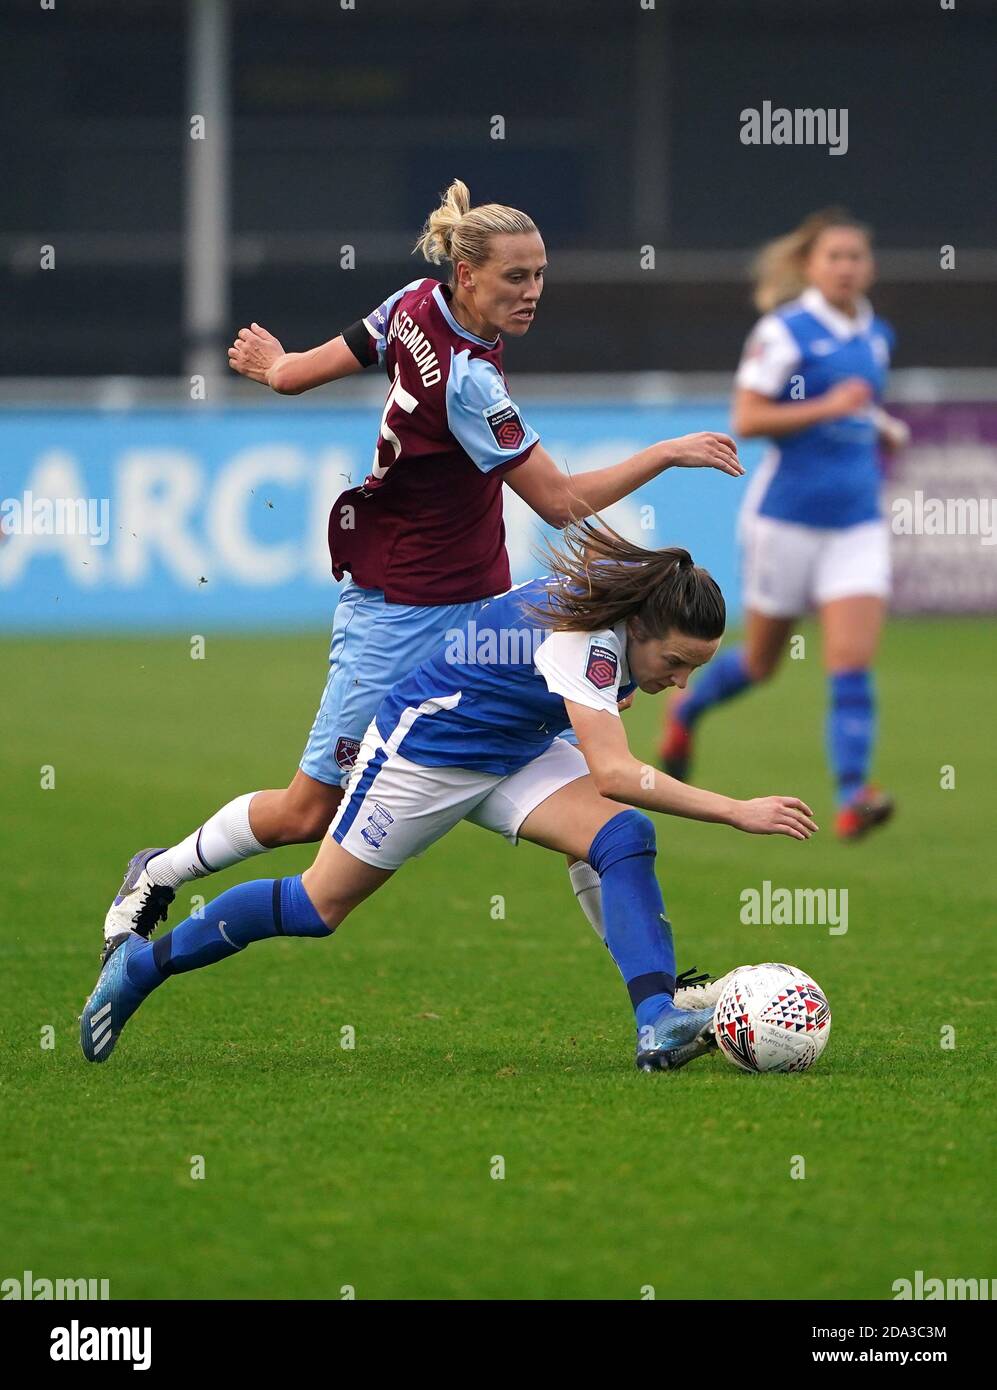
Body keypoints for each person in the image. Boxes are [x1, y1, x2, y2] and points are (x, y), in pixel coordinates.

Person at [102, 179, 742, 952]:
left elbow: (299, 373)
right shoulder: (472, 380)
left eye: (540, 274)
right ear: (468, 274)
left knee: (601, 822)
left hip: (482, 610)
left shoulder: (413, 301)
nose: (533, 291)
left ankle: (657, 996)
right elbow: (563, 504)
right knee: (309, 814)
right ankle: (160, 872)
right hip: (401, 613)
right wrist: (667, 452)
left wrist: (274, 367)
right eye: (516, 276)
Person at [81, 522, 817, 1071]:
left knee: (619, 837)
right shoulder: (585, 638)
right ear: (642, 628)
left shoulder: (621, 620)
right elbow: (617, 772)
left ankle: (656, 1016)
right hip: (425, 756)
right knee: (316, 908)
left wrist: (591, 700)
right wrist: (735, 810)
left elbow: (593, 739)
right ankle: (140, 966)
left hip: (512, 751)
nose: (679, 682)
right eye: (677, 664)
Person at [659, 209, 909, 839]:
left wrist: (879, 427)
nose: (849, 267)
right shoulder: (786, 332)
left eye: (857, 257)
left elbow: (859, 409)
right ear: (810, 266)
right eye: (836, 257)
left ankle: (855, 796)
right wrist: (831, 405)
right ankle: (688, 710)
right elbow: (747, 418)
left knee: (851, 662)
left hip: (856, 523)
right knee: (764, 663)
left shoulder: (875, 332)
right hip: (786, 522)